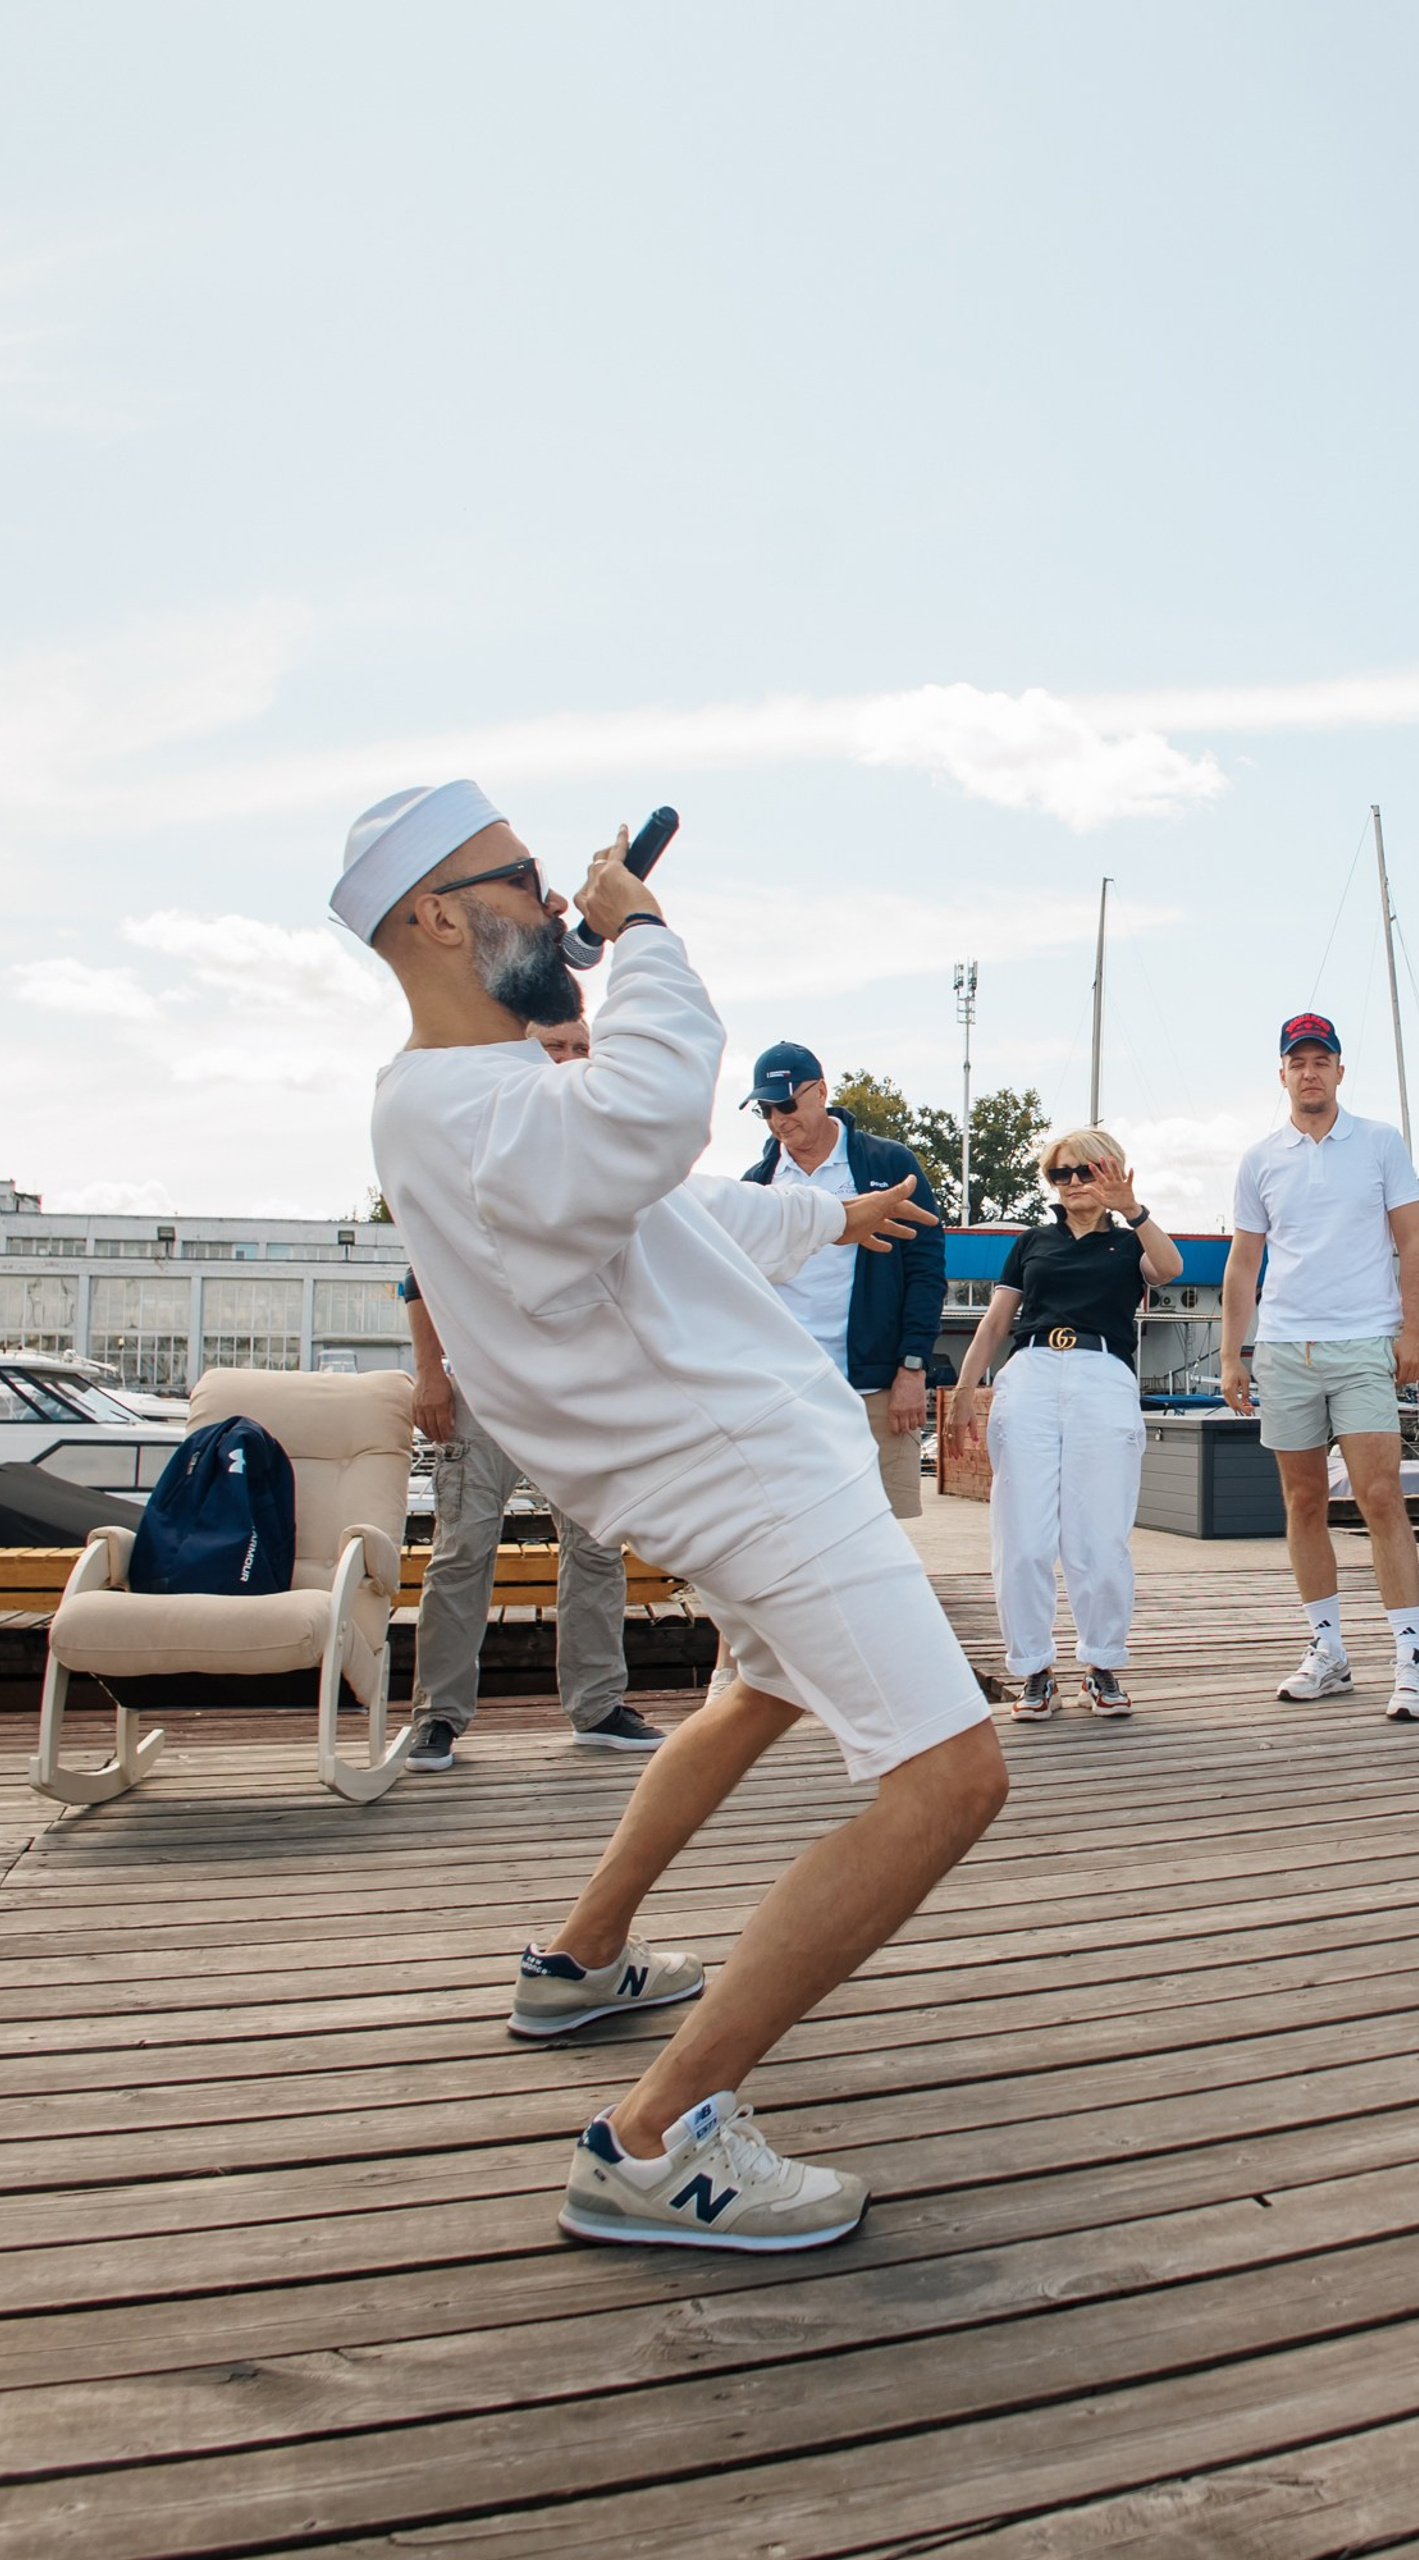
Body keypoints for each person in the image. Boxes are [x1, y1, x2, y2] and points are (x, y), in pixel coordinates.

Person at [340, 779, 1007, 2253]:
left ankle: (577, 1960)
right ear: (439, 916)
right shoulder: (479, 1106)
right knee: (952, 1781)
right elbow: (652, 1115)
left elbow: (672, 1218)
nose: (554, 897)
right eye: (517, 876)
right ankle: (654, 2139)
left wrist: (830, 1218)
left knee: (757, 1698)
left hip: (731, 1466)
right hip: (753, 1470)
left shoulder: (467, 1105)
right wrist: (642, 933)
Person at [402, 1006, 662, 1770]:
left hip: (578, 1389)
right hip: (483, 1384)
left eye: (584, 1047)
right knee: (462, 1551)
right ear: (524, 1051)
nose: (572, 1058)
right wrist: (428, 1376)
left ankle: (597, 1705)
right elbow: (422, 1271)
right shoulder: (479, 1135)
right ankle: (437, 1715)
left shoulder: (597, 1149)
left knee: (596, 1548)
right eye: (557, 1045)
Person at [1220, 1011, 1419, 1721]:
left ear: (1341, 1070)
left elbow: (1412, 1243)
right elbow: (1244, 1262)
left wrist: (1412, 1335)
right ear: (1281, 1072)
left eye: (1322, 1060)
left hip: (1364, 1344)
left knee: (1379, 1497)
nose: (1309, 1072)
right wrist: (1232, 1354)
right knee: (1304, 1502)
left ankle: (1411, 1660)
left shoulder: (1379, 1142)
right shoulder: (1260, 1158)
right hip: (1285, 1350)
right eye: (1297, 1061)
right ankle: (1328, 1652)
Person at [946, 1129, 1183, 1718]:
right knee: (1023, 1536)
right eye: (1061, 1173)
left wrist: (1133, 1209)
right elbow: (996, 1322)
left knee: (1098, 1535)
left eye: (1086, 1170)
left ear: (1112, 1171)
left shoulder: (1131, 1244)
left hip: (1102, 1374)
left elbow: (1171, 1268)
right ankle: (1033, 1670)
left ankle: (1102, 1663)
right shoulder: (1031, 1242)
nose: (1074, 1182)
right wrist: (965, 1391)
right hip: (1029, 1375)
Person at [739, 1042, 944, 1520]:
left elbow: (926, 1270)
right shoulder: (756, 1184)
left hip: (873, 1387)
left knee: (880, 1528)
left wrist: (913, 1367)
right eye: (765, 1110)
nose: (778, 1120)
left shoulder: (889, 1166)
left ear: (821, 1092)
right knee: (790, 1523)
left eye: (786, 1104)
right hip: (785, 1386)